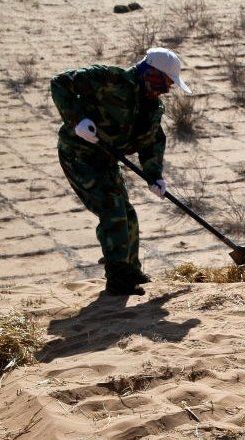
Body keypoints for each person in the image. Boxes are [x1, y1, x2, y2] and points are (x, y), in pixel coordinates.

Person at [51, 47, 192, 296]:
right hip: (78, 155)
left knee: (127, 214)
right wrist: (77, 119)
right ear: (150, 73)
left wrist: (154, 174)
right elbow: (60, 83)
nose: (166, 90)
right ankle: (118, 280)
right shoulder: (108, 78)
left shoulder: (151, 108)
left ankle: (130, 270)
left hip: (105, 159)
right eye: (164, 83)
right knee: (112, 209)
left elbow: (152, 142)